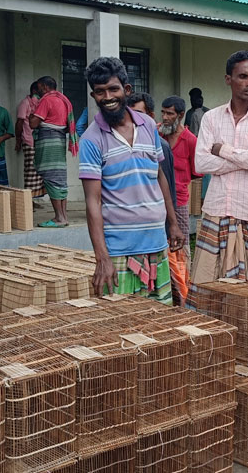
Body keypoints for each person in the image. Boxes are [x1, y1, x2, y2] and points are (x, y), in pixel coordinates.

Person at [79, 57, 184, 305]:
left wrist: (174, 223)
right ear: (94, 95)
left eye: (113, 89)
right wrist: (102, 258)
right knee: (121, 328)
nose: (107, 97)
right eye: (100, 92)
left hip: (156, 244)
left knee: (158, 323)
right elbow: (92, 202)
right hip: (119, 252)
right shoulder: (91, 140)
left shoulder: (148, 125)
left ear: (126, 90)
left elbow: (159, 176)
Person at [192, 51, 248, 284]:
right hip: (216, 210)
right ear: (228, 79)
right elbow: (201, 163)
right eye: (243, 76)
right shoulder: (211, 118)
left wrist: (226, 151)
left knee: (246, 286)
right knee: (207, 283)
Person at [128, 92, 188, 305]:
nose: (133, 119)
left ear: (150, 115)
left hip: (158, 226)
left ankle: (180, 310)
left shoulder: (159, 147)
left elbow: (168, 190)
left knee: (167, 276)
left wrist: (171, 225)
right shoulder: (125, 145)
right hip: (133, 228)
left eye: (138, 113)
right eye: (129, 113)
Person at [30, 75, 78, 228]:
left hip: (48, 142)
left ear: (44, 87)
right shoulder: (63, 100)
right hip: (59, 141)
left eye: (38, 88)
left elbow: (33, 123)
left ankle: (59, 218)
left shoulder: (46, 100)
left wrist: (32, 115)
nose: (38, 91)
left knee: (50, 178)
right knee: (59, 179)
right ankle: (63, 216)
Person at [161, 95, 201, 267]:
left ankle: (184, 288)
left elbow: (196, 172)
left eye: (169, 114)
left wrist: (178, 182)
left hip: (179, 200)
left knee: (181, 246)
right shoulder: (156, 134)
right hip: (156, 199)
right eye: (163, 113)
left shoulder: (191, 140)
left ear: (181, 115)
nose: (164, 117)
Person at [16, 81, 45, 198]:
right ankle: (28, 200)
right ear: (34, 91)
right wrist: (18, 140)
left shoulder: (40, 103)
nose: (42, 92)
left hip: (39, 142)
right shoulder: (25, 103)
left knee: (38, 172)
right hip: (28, 140)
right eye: (40, 90)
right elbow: (19, 122)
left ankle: (34, 199)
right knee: (30, 172)